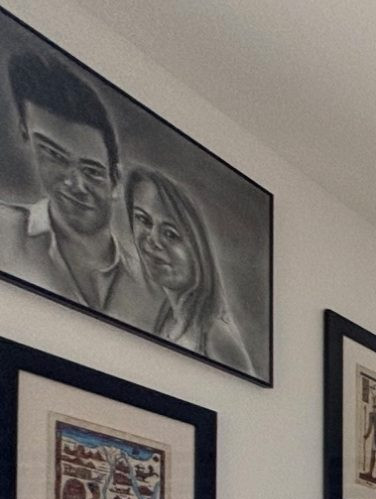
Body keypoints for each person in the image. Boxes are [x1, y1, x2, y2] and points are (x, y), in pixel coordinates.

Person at [0, 51, 148, 322]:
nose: (74, 184)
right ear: (26, 136)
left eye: (91, 171)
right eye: (53, 155)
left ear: (116, 180)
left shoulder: (150, 287)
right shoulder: (4, 231)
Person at [123, 165, 252, 371]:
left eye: (171, 234)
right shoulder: (167, 319)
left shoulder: (215, 333)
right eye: (144, 220)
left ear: (198, 250)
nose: (152, 240)